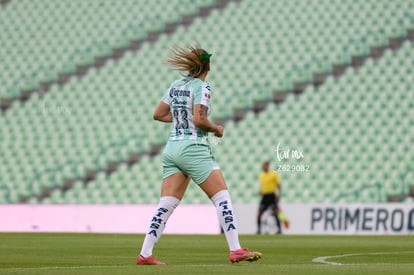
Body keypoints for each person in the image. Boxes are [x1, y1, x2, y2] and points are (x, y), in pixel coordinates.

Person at [136, 44, 262, 265]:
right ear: (208, 65)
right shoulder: (202, 88)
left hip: (172, 148)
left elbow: (158, 114)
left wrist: (178, 119)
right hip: (193, 148)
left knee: (166, 204)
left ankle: (145, 253)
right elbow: (199, 120)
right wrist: (216, 129)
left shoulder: (175, 85)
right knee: (222, 197)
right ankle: (235, 249)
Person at [256, 161, 282, 234]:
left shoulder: (273, 175)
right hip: (265, 197)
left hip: (272, 196)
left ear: (267, 166)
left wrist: (279, 196)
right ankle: (259, 230)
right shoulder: (261, 176)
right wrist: (261, 191)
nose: (263, 167)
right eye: (262, 166)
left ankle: (279, 230)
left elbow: (278, 185)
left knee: (276, 213)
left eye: (264, 166)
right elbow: (264, 186)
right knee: (259, 214)